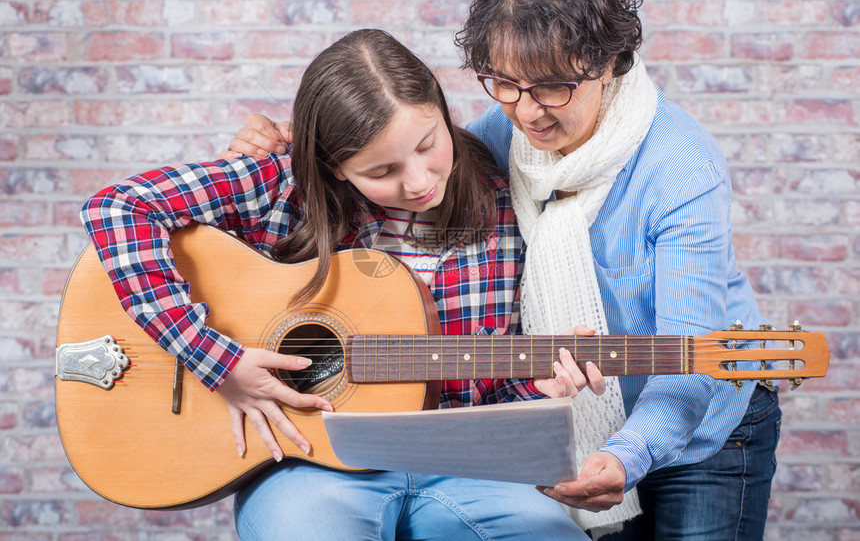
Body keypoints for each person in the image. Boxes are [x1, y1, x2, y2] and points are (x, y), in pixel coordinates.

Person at [222, 0, 781, 539]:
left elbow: (689, 364)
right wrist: (297, 143)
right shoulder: (499, 141)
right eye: (506, 83)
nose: (529, 111)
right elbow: (401, 151)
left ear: (611, 62)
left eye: (554, 86)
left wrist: (628, 453)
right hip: (588, 415)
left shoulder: (682, 171)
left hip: (701, 414)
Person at [80, 28, 600, 541]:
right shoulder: (283, 186)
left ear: (442, 110)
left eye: (428, 144)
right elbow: (119, 206)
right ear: (335, 167)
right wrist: (218, 361)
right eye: (382, 169)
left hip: (462, 468)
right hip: (310, 464)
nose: (418, 181)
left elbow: (482, 384)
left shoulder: (506, 201)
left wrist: (539, 385)